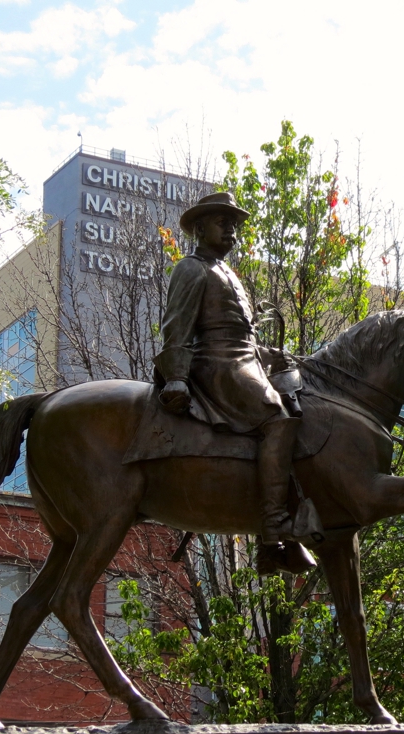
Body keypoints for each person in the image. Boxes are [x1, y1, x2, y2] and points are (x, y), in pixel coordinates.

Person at [153, 192, 314, 575]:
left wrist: (266, 353)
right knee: (277, 418)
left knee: (302, 400)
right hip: (217, 364)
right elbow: (177, 326)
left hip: (245, 359)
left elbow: (239, 332)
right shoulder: (192, 268)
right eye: (222, 221)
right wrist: (176, 378)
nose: (231, 229)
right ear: (199, 228)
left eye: (234, 223)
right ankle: (273, 533)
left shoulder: (226, 271)